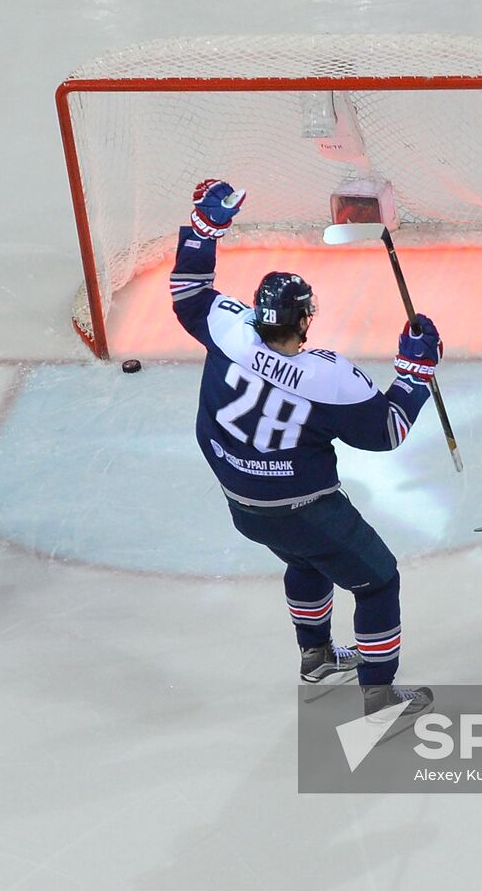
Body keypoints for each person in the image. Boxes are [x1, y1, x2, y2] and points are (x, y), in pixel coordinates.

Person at [171, 178, 440, 718]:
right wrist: (415, 373)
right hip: (305, 508)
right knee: (379, 581)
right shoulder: (328, 378)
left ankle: (316, 658)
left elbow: (189, 294)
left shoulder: (229, 330)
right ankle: (380, 701)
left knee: (306, 561)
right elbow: (387, 432)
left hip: (242, 502)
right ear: (305, 321)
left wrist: (204, 231)